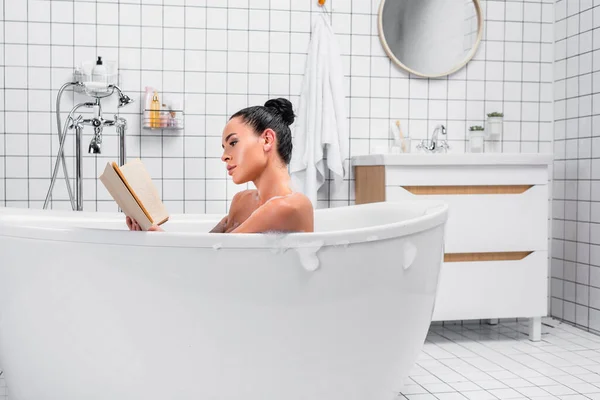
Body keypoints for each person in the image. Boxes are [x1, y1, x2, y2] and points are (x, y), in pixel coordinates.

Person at [126, 98, 314, 233]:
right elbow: (205, 250)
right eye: (224, 148)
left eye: (233, 143)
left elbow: (213, 256)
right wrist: (151, 231)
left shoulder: (294, 205)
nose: (224, 157)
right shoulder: (242, 201)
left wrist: (159, 237)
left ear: (266, 139)